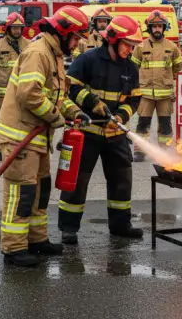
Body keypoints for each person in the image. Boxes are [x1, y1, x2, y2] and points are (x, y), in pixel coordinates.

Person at [0, 6, 90, 267]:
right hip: (20, 138)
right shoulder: (38, 53)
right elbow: (30, 94)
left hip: (37, 139)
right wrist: (57, 118)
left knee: (40, 190)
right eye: (75, 37)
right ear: (62, 32)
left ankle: (37, 240)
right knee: (22, 193)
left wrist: (75, 112)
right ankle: (13, 249)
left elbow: (57, 97)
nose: (77, 43)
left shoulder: (54, 53)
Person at [59, 15, 144, 244]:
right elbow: (71, 87)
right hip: (88, 133)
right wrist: (92, 103)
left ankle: (120, 226)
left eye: (134, 46)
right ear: (114, 40)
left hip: (115, 134)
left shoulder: (131, 68)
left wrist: (120, 115)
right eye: (128, 44)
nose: (131, 50)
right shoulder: (88, 60)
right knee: (77, 182)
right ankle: (69, 228)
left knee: (121, 181)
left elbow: (134, 99)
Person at [131, 10, 182, 161]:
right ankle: (140, 151)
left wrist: (172, 84)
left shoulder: (172, 47)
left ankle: (165, 150)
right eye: (154, 26)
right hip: (145, 94)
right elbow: (133, 70)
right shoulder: (140, 47)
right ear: (149, 28)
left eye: (160, 26)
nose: (157, 29)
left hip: (165, 94)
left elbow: (178, 68)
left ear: (164, 28)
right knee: (143, 124)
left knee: (165, 125)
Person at [0, 12, 30, 162]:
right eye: (14, 28)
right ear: (8, 28)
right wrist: (3, 77)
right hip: (3, 90)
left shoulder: (28, 45)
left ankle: (19, 147)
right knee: (1, 120)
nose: (17, 31)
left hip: (22, 90)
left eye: (19, 28)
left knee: (22, 119)